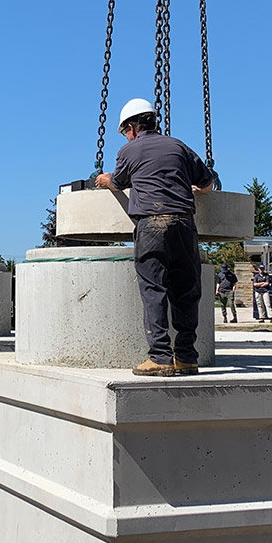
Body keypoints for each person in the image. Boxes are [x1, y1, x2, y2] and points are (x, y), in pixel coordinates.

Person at [95, 97, 214, 377]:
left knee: (154, 290)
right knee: (186, 291)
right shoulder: (179, 146)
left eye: (125, 131)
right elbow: (207, 183)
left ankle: (160, 357)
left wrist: (104, 179)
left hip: (151, 225)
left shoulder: (129, 150)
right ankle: (186, 357)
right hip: (184, 224)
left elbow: (119, 181)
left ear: (131, 128)